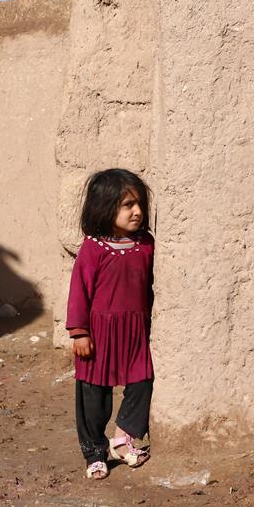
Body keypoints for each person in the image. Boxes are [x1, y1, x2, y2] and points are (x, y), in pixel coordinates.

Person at [66, 168, 155, 480]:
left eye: (139, 204)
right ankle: (94, 452)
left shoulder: (145, 244)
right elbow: (79, 291)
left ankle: (124, 437)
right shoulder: (93, 248)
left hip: (133, 332)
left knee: (142, 382)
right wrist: (79, 332)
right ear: (105, 207)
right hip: (99, 334)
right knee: (94, 395)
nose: (137, 211)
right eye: (128, 205)